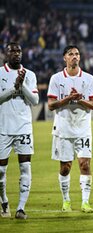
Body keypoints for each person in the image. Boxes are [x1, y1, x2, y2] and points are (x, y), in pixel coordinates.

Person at [47, 45, 93, 213]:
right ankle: (66, 200)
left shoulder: (89, 78)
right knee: (65, 167)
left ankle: (85, 202)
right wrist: (69, 99)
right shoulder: (56, 78)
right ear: (65, 58)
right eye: (71, 54)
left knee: (84, 164)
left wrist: (80, 100)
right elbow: (51, 105)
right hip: (63, 128)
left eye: (77, 54)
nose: (75, 56)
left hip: (83, 128)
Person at [0, 42, 39, 219]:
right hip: (3, 128)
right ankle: (4, 201)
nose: (16, 53)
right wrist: (13, 88)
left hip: (24, 128)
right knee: (1, 171)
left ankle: (21, 208)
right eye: (12, 51)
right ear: (6, 54)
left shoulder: (29, 75)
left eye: (19, 51)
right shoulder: (0, 73)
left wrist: (22, 85)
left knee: (25, 167)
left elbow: (35, 100)